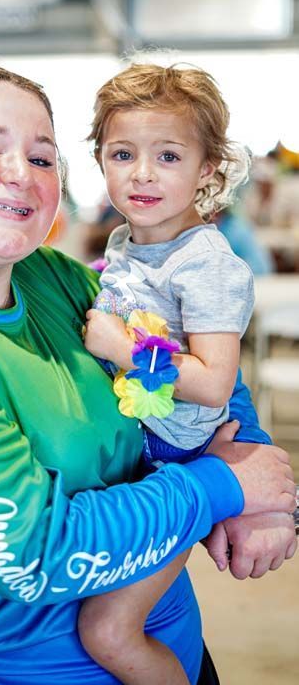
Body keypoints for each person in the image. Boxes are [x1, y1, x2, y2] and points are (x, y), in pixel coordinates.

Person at [0, 58, 296, 685]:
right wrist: (220, 487)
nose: (19, 174)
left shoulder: (53, 278)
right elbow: (36, 555)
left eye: (41, 158)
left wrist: (255, 470)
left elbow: (186, 359)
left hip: (170, 647)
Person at [77, 62, 287, 685]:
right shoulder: (125, 242)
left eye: (168, 155)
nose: (142, 173)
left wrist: (120, 346)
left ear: (208, 169)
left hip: (177, 457)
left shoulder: (206, 264)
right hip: (143, 443)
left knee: (108, 630)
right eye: (122, 153)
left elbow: (214, 382)